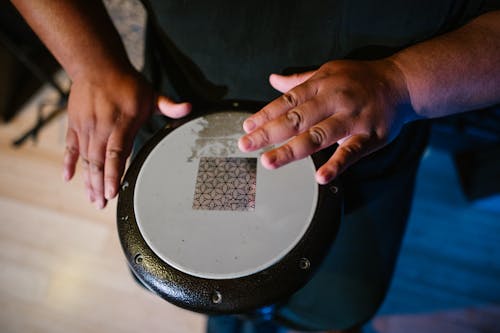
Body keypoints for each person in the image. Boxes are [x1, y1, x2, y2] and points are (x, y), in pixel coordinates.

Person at [11, 0, 500, 332]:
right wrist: (91, 62)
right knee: (208, 291)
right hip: (189, 122)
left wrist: (401, 83)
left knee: (334, 308)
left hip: (356, 149)